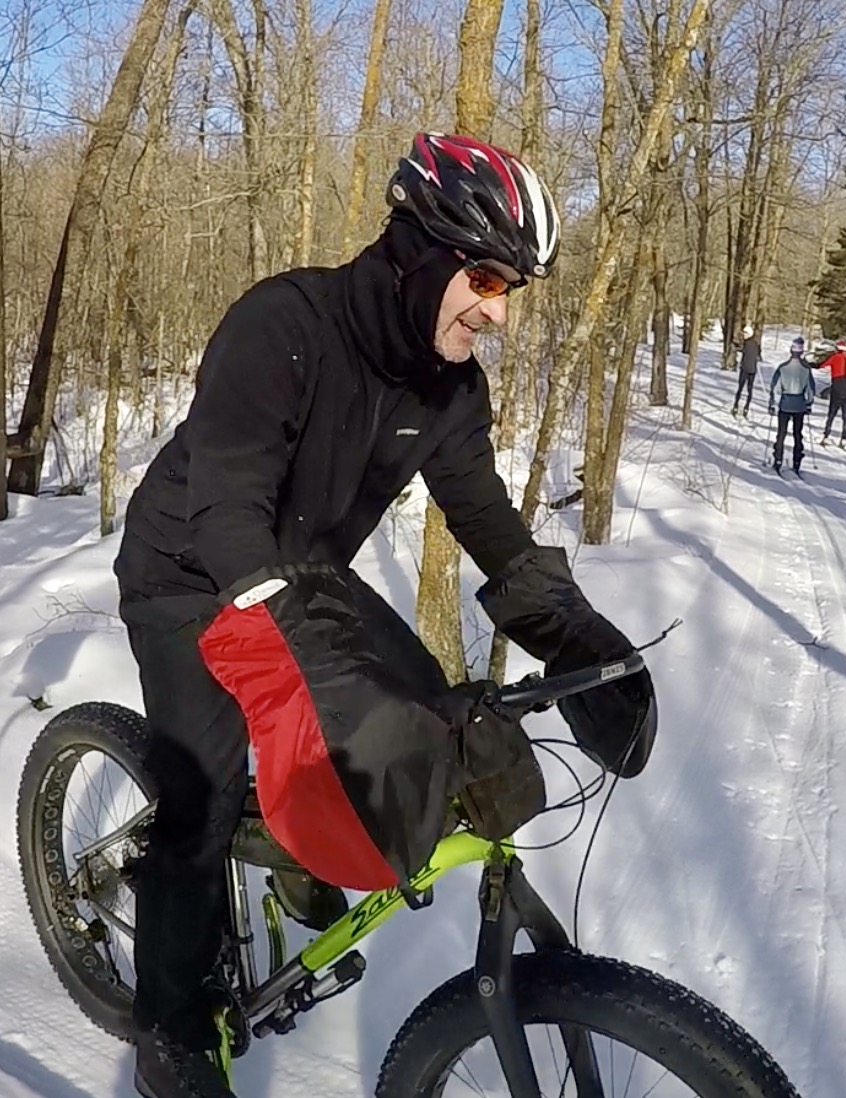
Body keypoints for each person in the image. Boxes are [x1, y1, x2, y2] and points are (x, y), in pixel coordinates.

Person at [112, 132, 657, 1098]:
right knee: (196, 802)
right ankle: (171, 1029)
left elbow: (483, 514)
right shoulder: (282, 324)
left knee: (423, 707)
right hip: (190, 572)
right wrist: (302, 649)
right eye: (485, 277)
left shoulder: (451, 387)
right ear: (421, 250)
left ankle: (296, 842)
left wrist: (577, 635)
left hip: (306, 574)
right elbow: (228, 503)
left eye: (509, 290)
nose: (494, 310)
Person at [768, 336, 816, 474]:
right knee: (797, 434)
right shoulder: (806, 369)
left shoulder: (783, 368)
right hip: (799, 404)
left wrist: (772, 403)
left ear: (791, 350)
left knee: (781, 433)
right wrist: (808, 404)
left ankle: (778, 459)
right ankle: (797, 460)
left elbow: (775, 387)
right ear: (801, 352)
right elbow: (810, 389)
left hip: (785, 403)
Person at [816, 338, 846, 448]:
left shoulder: (834, 357)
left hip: (836, 387)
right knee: (845, 416)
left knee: (832, 413)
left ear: (837, 349)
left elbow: (822, 366)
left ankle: (826, 435)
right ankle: (843, 439)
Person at [731, 323, 760, 417]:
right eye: (744, 333)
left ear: (750, 334)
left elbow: (742, 348)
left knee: (740, 388)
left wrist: (734, 347)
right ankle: (746, 407)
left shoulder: (748, 343)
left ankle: (736, 406)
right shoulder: (755, 343)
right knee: (749, 390)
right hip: (752, 370)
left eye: (746, 333)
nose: (744, 335)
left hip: (746, 369)